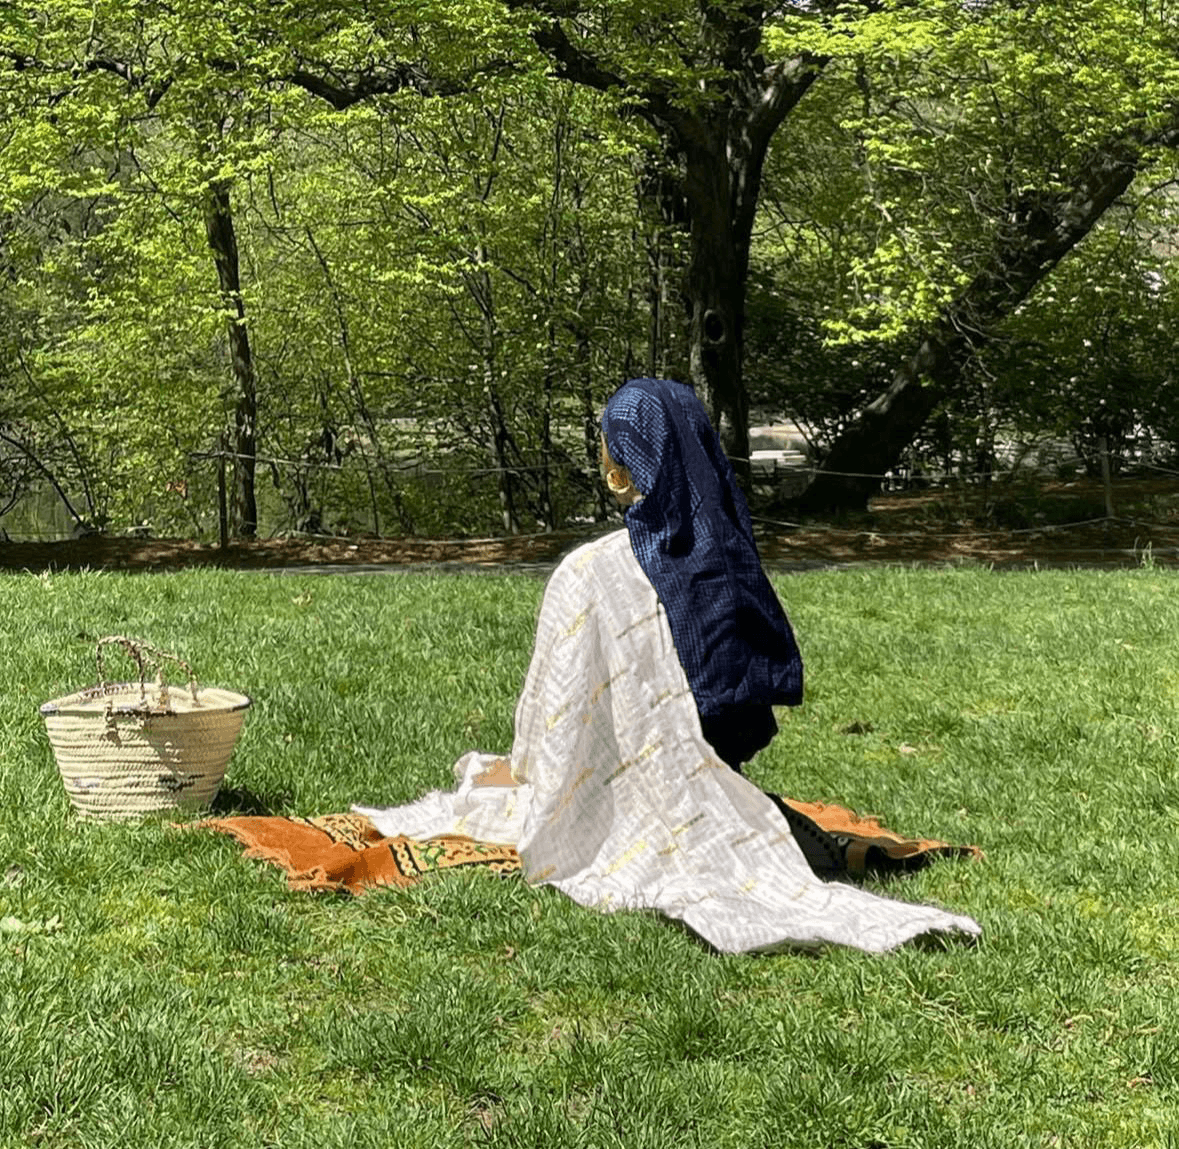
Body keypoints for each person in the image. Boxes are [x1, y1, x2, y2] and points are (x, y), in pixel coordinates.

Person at [356, 379, 980, 953]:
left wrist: (536, 775)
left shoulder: (592, 569)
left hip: (636, 767)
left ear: (623, 467)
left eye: (607, 447)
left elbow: (554, 721)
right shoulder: (729, 549)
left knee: (524, 799)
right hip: (718, 752)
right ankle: (767, 826)